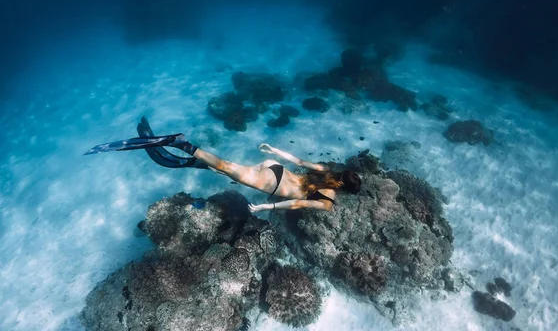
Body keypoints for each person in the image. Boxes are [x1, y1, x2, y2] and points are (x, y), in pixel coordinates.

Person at [85, 117, 361, 212]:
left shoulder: (326, 172)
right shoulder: (327, 202)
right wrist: (268, 206)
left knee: (217, 168)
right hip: (270, 183)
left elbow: (299, 161)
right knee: (224, 166)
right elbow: (298, 204)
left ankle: (174, 156)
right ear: (346, 191)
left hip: (275, 168)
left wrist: (273, 150)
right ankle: (182, 143)